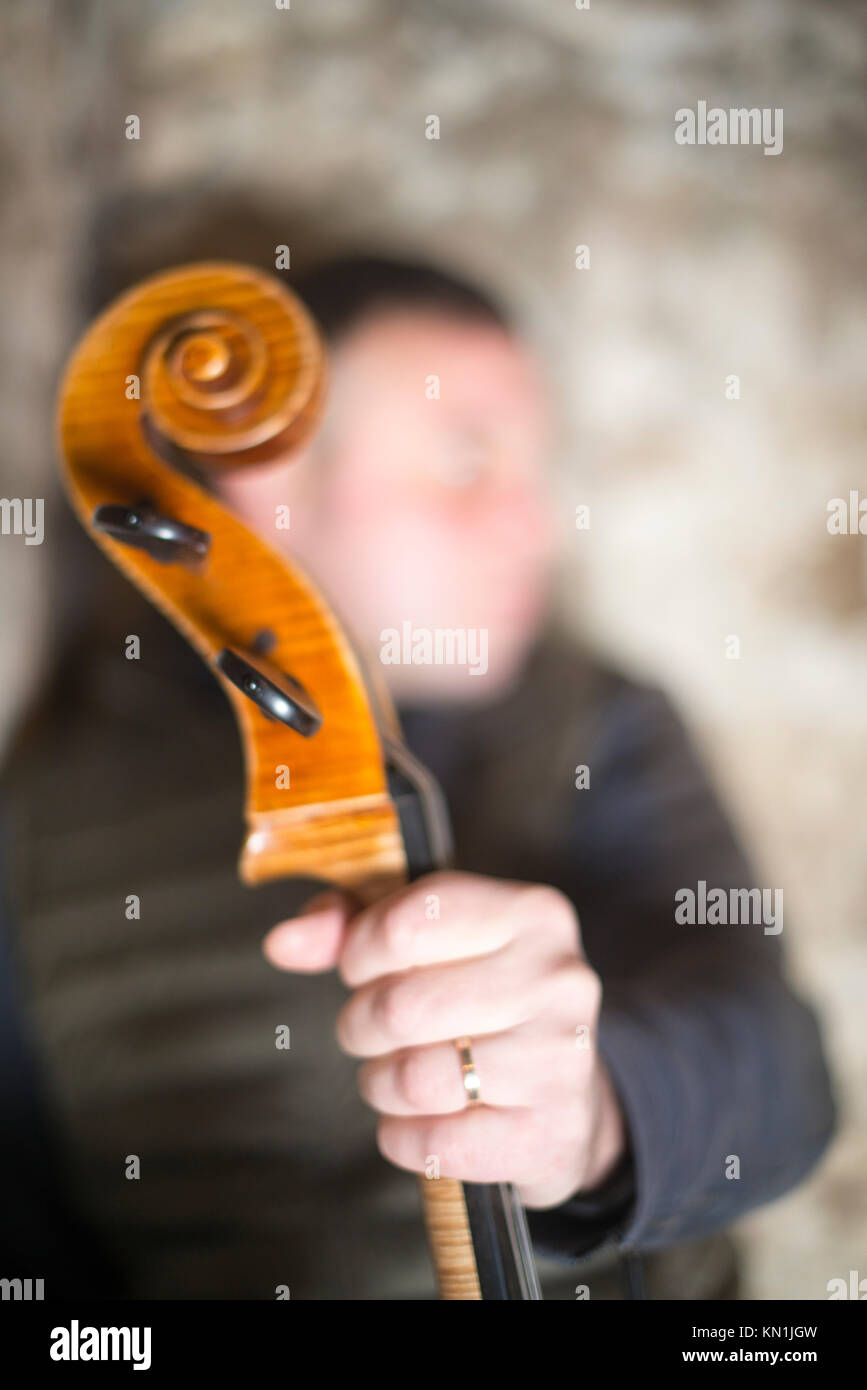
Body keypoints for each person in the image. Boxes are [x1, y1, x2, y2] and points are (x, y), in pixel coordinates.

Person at [1, 252, 836, 1300]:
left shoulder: (602, 720)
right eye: (465, 462)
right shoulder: (44, 816)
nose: (534, 526)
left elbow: (780, 1066)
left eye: (539, 473)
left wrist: (598, 1116)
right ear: (269, 485)